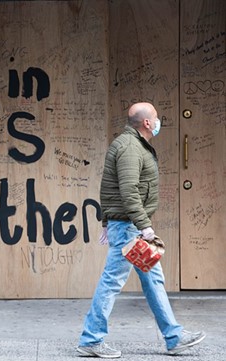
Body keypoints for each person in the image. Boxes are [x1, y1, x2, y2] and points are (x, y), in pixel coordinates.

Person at [76, 102, 205, 358]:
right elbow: (127, 190)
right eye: (155, 117)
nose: (158, 121)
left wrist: (107, 221)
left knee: (153, 280)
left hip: (127, 225)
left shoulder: (132, 144)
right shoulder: (130, 148)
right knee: (112, 282)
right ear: (147, 123)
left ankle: (173, 336)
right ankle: (91, 339)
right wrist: (142, 225)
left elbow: (108, 186)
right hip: (128, 228)